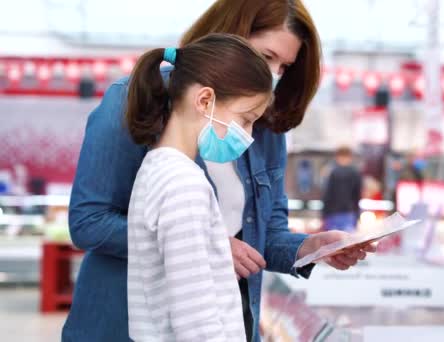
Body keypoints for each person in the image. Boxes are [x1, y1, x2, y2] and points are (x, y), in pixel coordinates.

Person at [62, 1, 375, 342]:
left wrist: (311, 247)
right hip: (119, 322)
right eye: (267, 56)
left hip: (226, 316)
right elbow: (88, 222)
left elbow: (263, 237)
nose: (273, 75)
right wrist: (206, 245)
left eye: (284, 67)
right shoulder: (134, 102)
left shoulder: (265, 128)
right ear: (232, 36)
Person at [126, 34, 270, 342]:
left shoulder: (156, 169)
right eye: (246, 120)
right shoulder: (184, 185)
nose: (249, 135)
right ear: (205, 101)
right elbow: (196, 323)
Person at [322, 147, 363, 232]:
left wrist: (324, 214)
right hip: (349, 213)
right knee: (348, 242)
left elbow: (327, 194)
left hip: (333, 213)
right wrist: (357, 214)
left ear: (337, 157)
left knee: (332, 242)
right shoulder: (355, 173)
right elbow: (357, 195)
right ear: (350, 157)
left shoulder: (332, 172)